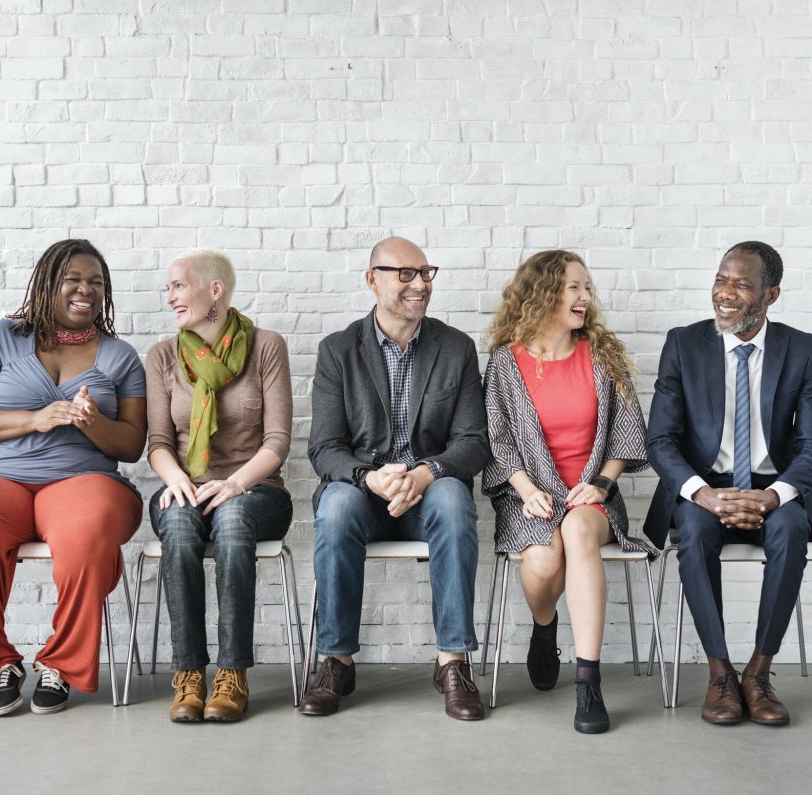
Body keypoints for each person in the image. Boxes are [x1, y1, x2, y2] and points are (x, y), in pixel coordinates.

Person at [0, 239, 146, 716]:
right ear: (48, 283)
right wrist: (35, 418)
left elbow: (132, 444)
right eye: (73, 279)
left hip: (83, 478)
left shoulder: (121, 356)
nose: (85, 290)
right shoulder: (1, 337)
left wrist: (93, 423)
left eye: (95, 282)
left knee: (88, 534)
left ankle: (61, 664)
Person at [301, 236, 489, 721]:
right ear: (372, 280)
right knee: (336, 505)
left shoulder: (456, 348)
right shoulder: (338, 351)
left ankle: (452, 662)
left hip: (429, 492)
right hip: (366, 493)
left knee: (452, 500)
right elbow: (324, 448)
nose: (419, 284)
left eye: (425, 273)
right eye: (404, 273)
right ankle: (337, 661)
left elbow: (473, 441)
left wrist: (426, 472)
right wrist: (369, 478)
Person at [481, 250, 651, 734]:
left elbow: (627, 433)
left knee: (576, 531)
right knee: (543, 560)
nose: (585, 296)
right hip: (527, 494)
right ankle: (543, 626)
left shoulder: (601, 356)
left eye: (587, 288)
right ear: (543, 293)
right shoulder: (504, 365)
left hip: (590, 497)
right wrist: (526, 488)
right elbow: (497, 438)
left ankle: (587, 682)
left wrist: (599, 483)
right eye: (573, 286)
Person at [644, 241, 812, 727]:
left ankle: (758, 672)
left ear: (771, 294)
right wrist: (702, 493)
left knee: (790, 528)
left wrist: (773, 495)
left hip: (773, 487)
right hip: (705, 485)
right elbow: (660, 439)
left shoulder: (801, 350)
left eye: (741, 284)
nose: (725, 293)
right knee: (693, 532)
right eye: (721, 280)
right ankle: (720, 672)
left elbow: (809, 444)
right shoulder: (684, 343)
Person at [146, 248, 293, 723]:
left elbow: (277, 442)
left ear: (214, 290)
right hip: (185, 485)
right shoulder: (163, 356)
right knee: (182, 528)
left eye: (177, 286)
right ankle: (189, 675)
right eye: (167, 288)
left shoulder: (266, 346)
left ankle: (232, 673)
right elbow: (159, 443)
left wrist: (233, 483)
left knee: (231, 520)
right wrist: (178, 483)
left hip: (257, 488)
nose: (169, 297)